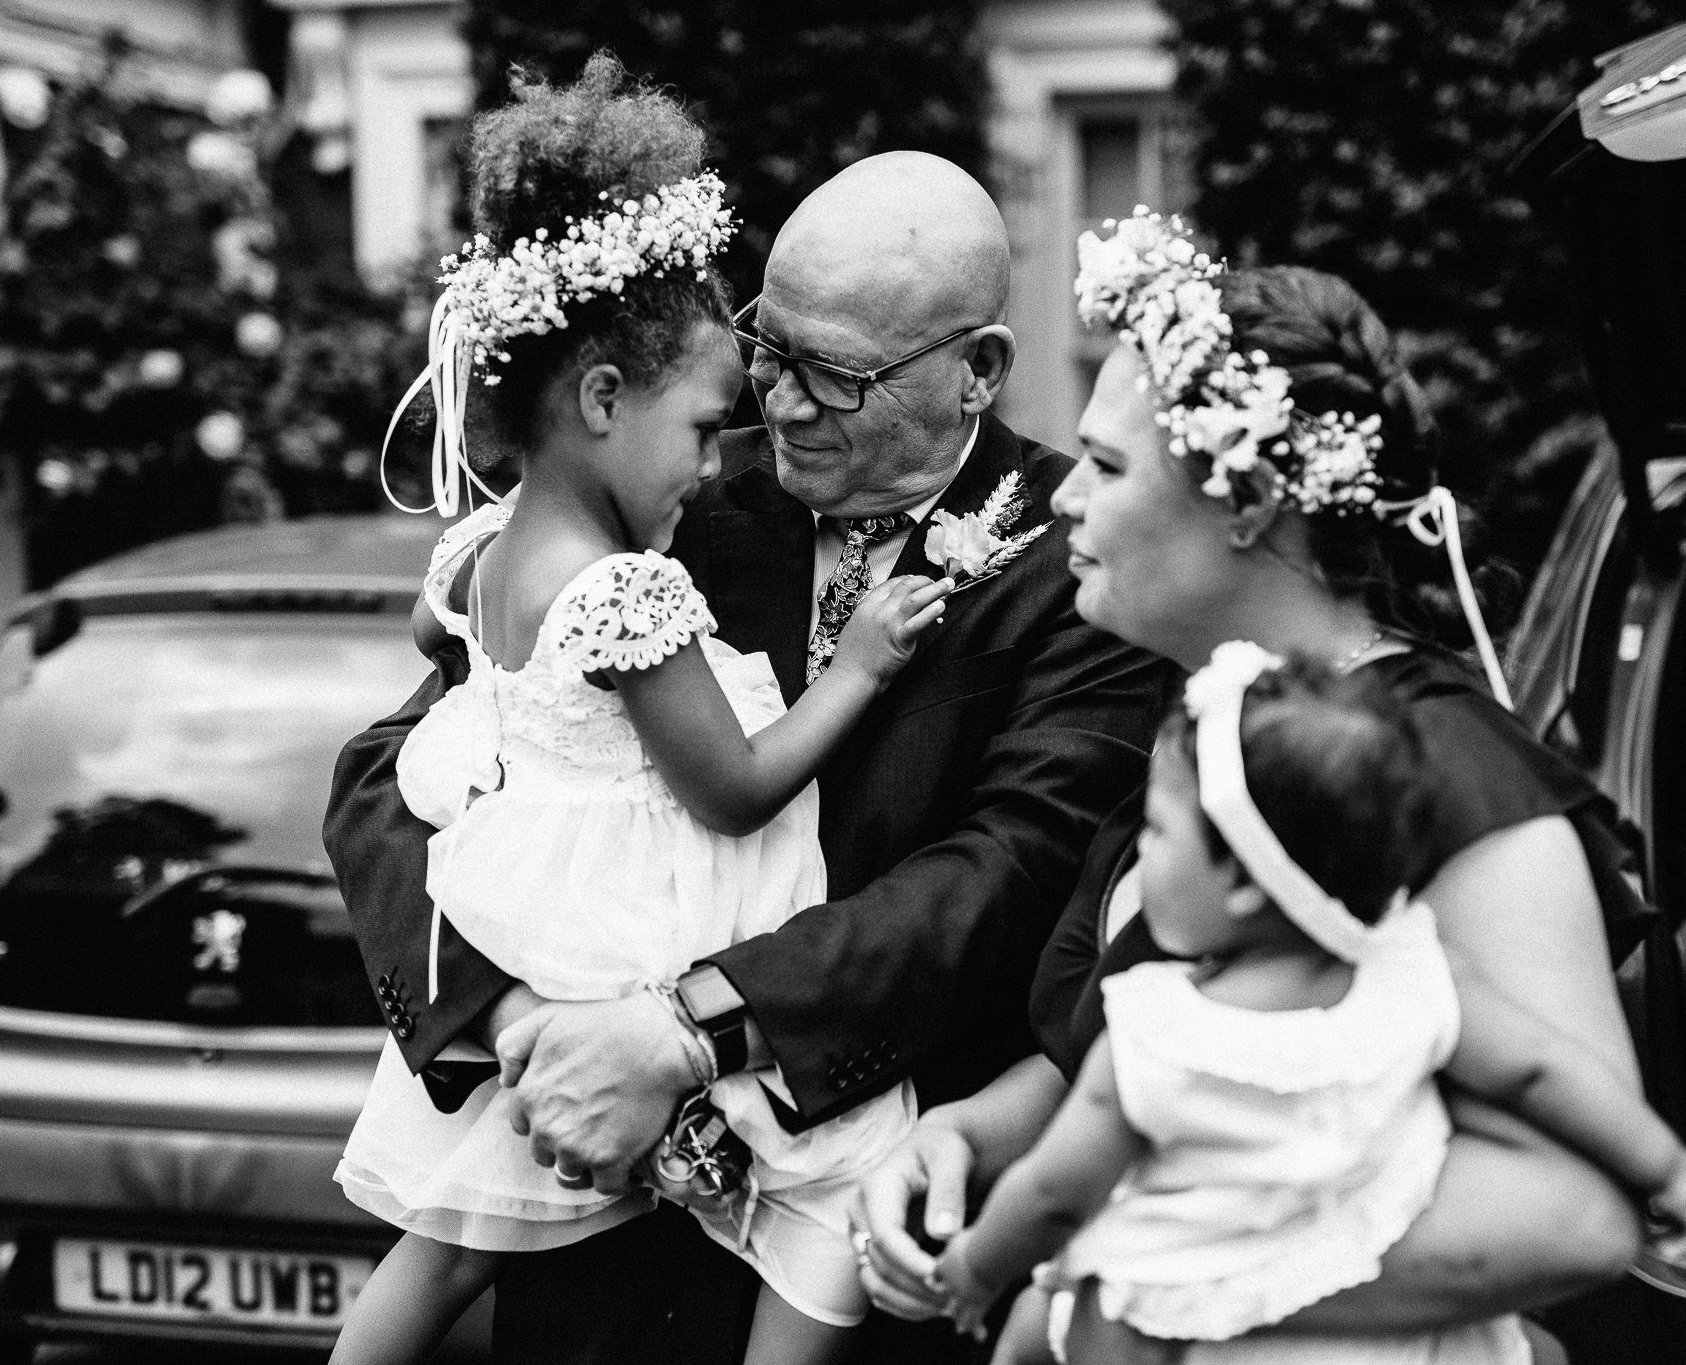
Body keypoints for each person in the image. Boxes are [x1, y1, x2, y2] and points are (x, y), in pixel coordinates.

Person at [321, 96, 1173, 1365]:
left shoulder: (1080, 564)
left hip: (871, 1265)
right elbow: (388, 781)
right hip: (591, 1260)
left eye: (836, 374)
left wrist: (688, 1032)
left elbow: (1008, 875)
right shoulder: (660, 513)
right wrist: (521, 1031)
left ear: (978, 370)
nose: (776, 405)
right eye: (769, 349)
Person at [851, 215, 1661, 1359]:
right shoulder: (1209, 726)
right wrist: (968, 1137)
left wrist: (1150, 1281)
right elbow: (1171, 1041)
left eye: (1109, 466)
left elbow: (1574, 1212)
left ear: (1243, 505)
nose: (1063, 501)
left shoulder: (1454, 777)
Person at [931, 650, 1686, 1364]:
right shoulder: (1417, 973)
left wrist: (974, 1266)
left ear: (1245, 880)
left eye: (1159, 831)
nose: (1142, 853)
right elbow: (1541, 1071)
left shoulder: (1156, 1032)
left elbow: (1053, 1192)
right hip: (1404, 1336)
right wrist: (1668, 1164)